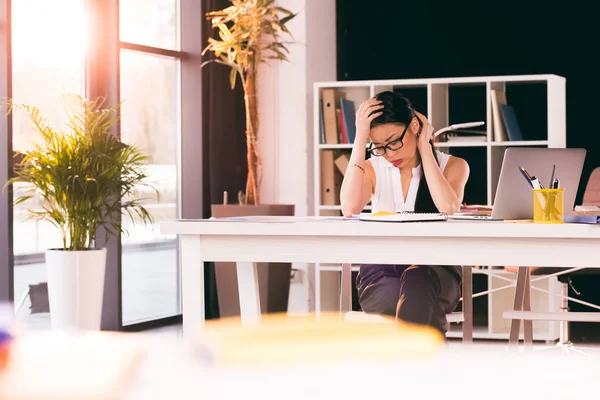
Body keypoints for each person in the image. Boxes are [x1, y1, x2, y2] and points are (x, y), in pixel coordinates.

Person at [339, 91, 470, 335]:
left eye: (394, 142)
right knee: (402, 302)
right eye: (379, 147)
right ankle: (427, 359)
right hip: (382, 272)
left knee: (417, 284)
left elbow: (447, 207)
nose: (389, 154)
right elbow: (349, 207)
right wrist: (359, 139)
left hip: (436, 270)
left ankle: (405, 364)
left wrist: (425, 148)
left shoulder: (454, 166)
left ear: (414, 126)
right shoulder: (372, 168)